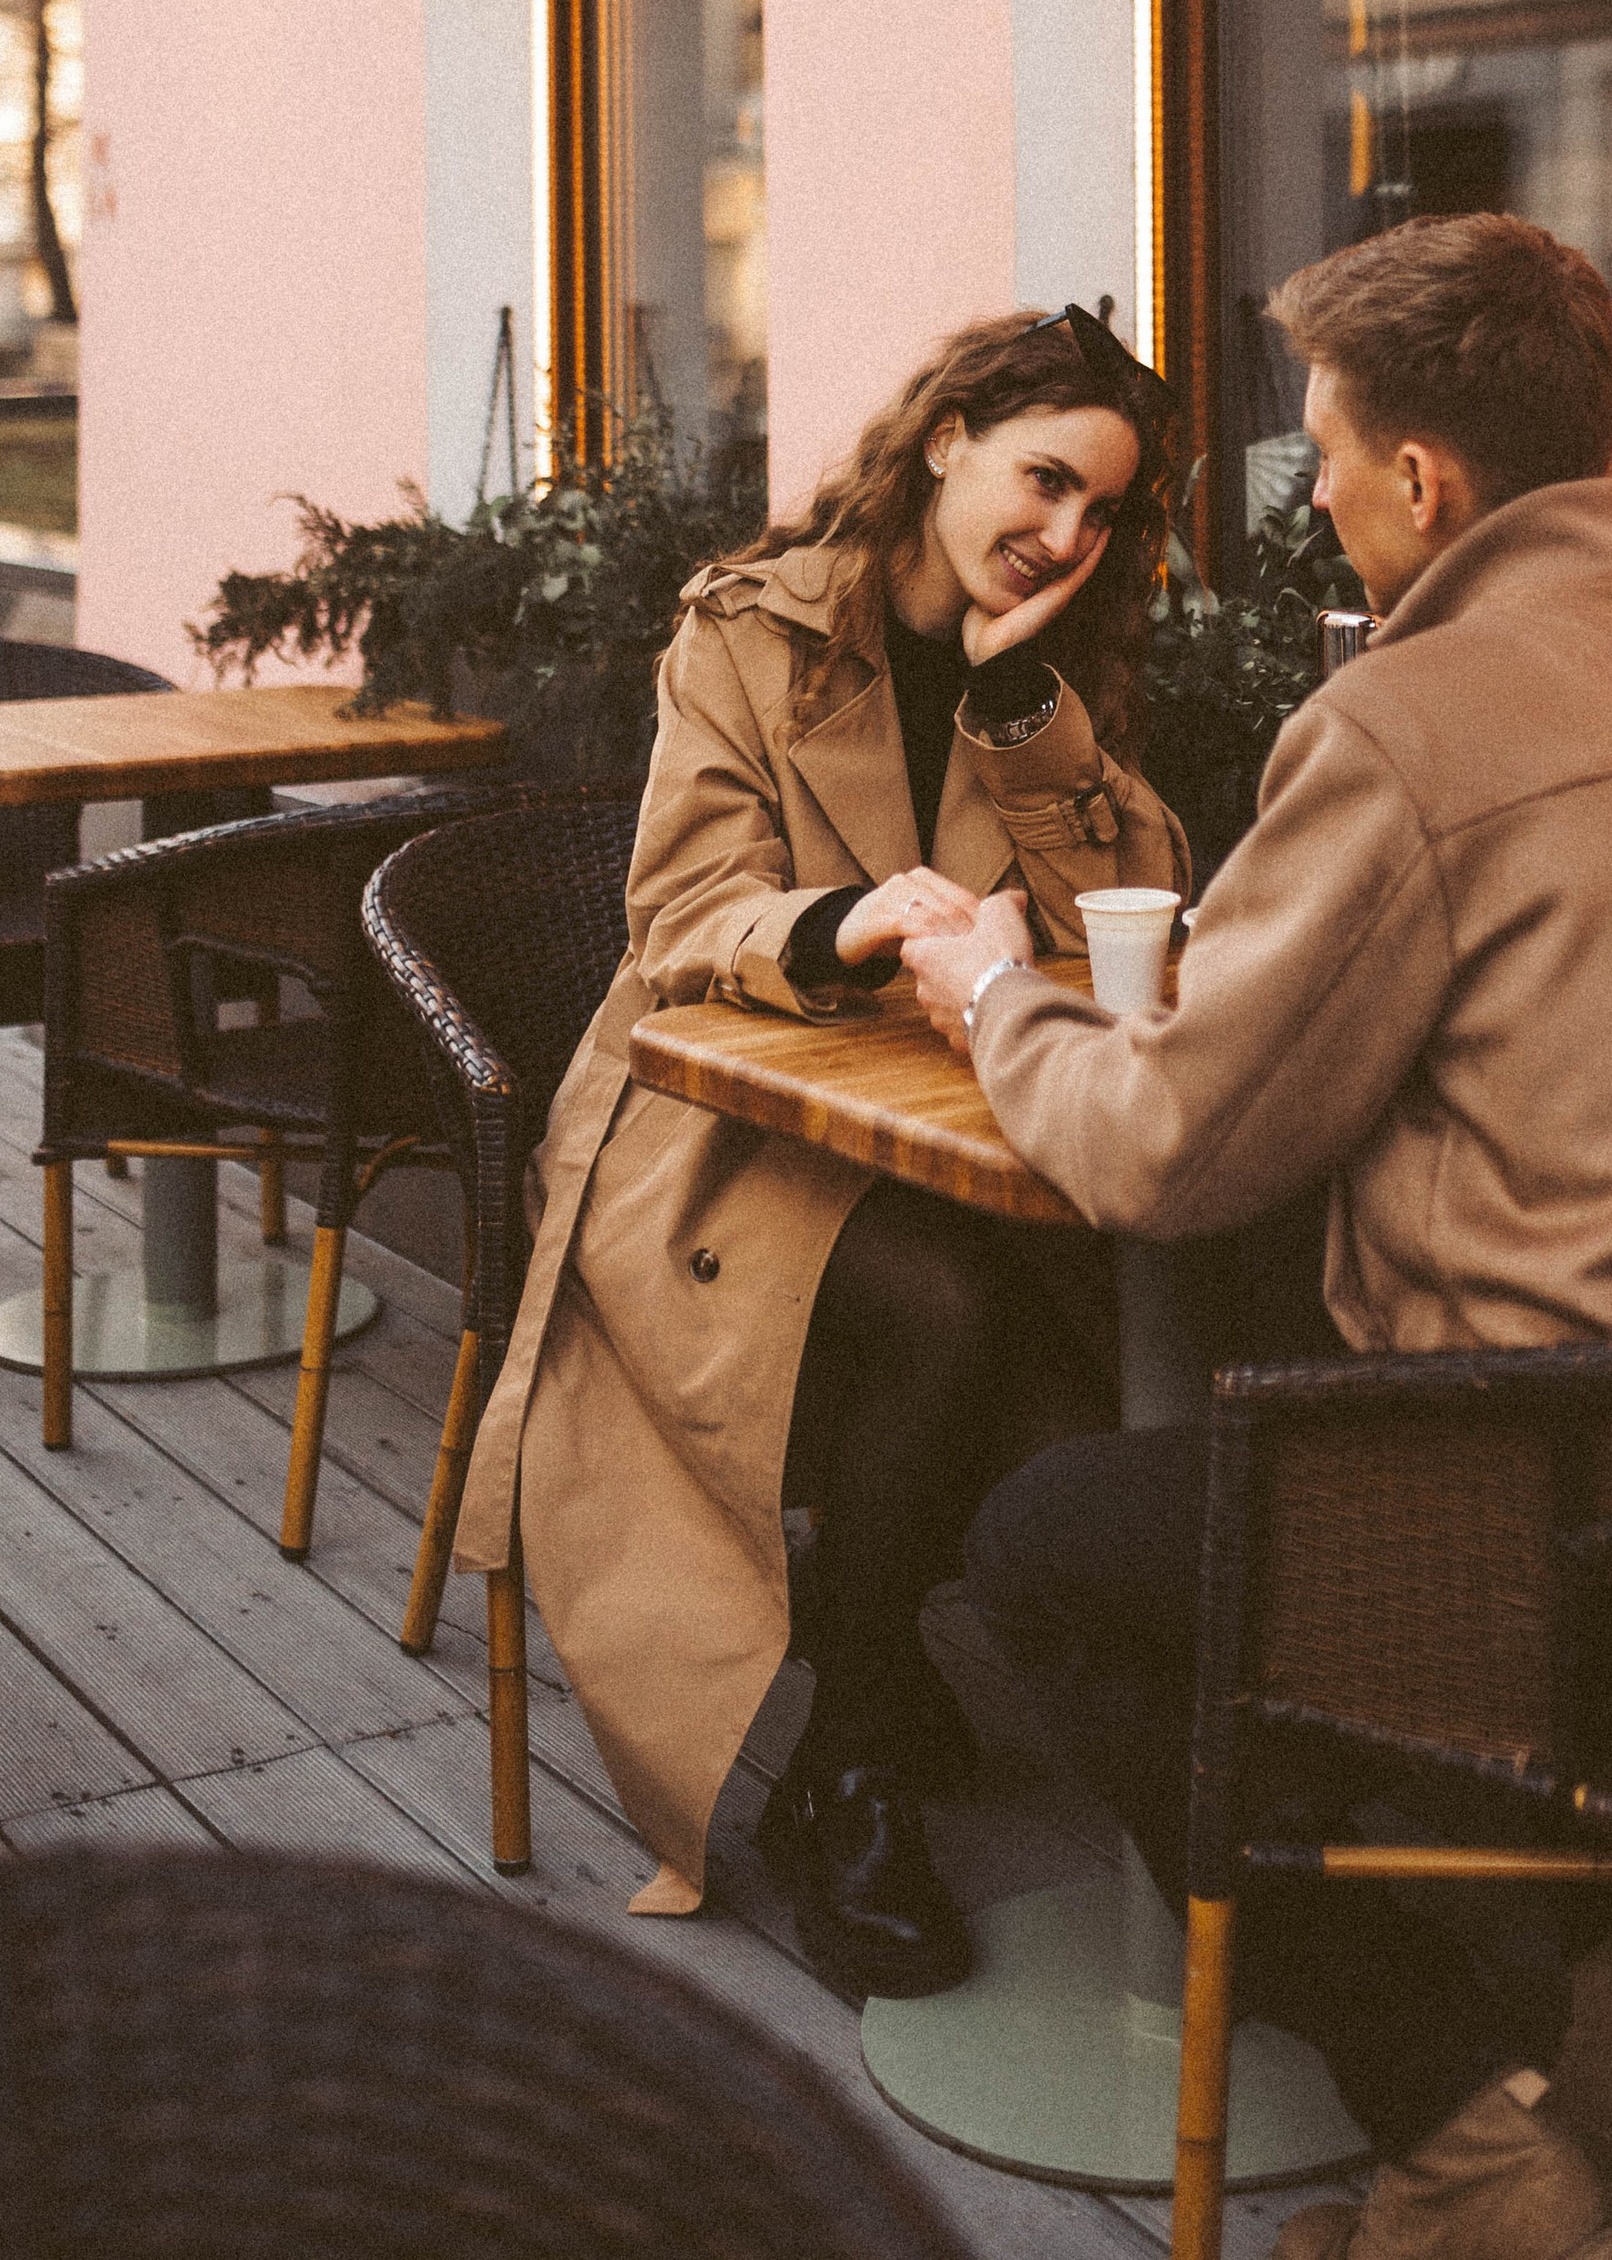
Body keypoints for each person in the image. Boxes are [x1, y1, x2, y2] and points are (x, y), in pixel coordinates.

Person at [908, 215, 1612, 2260]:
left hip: (1600, 1592)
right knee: (1371, 1402)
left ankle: (1468, 2154)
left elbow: (1156, 1149)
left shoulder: (1406, 724)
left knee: (1052, 1548)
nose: (1311, 502)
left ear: (1423, 484)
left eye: (1322, 456)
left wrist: (986, 998)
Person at [454, 306, 1187, 1989]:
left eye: (1102, 513)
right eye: (1043, 480)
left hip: (948, 1119)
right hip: (717, 1137)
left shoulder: (1051, 658)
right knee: (951, 1316)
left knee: (1079, 1401)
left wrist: (1019, 704)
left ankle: (893, 1690)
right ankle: (850, 1767)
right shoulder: (748, 629)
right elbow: (681, 914)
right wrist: (853, 919)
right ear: (948, 440)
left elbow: (1114, 910)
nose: (1065, 536)